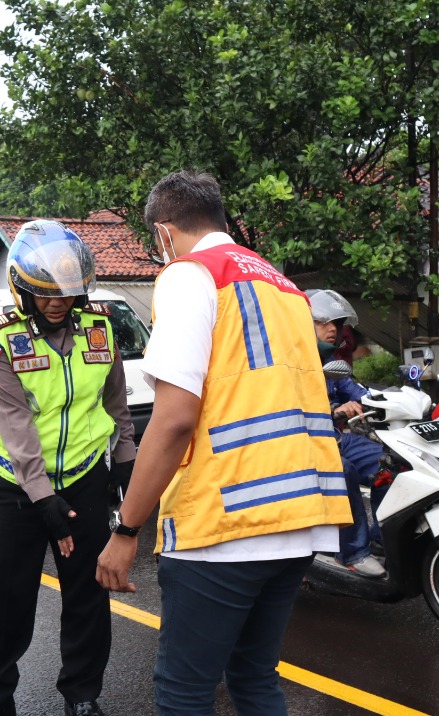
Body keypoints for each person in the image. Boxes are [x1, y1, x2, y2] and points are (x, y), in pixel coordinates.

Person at [95, 171, 350, 715]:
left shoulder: (191, 276)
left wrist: (126, 528)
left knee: (184, 690)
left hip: (224, 521)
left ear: (164, 233)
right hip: (299, 514)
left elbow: (173, 421)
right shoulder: (282, 286)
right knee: (255, 679)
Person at [0, 220, 136, 716]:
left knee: (88, 592)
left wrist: (125, 465)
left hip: (85, 478)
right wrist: (42, 499)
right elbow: (17, 428)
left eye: (66, 294)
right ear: (22, 290)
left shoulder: (101, 329)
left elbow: (117, 406)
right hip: (17, 487)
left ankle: (83, 696)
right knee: (5, 597)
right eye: (45, 295)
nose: (58, 303)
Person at [310, 289, 387, 578]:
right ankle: (353, 553)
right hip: (308, 442)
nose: (332, 329)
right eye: (323, 323)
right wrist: (335, 410)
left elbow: (359, 393)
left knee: (390, 463)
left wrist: (390, 401)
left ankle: (381, 539)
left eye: (336, 323)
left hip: (338, 438)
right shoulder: (294, 361)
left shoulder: (332, 362)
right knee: (344, 471)